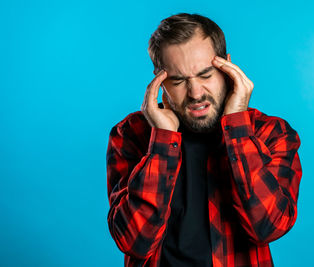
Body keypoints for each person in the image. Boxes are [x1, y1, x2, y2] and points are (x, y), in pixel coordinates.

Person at [106, 13, 302, 267]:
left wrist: (237, 131)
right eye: (178, 80)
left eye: (206, 75)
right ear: (158, 81)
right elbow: (134, 242)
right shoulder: (131, 134)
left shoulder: (271, 133)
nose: (196, 93)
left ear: (228, 68)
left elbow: (269, 227)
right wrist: (162, 143)